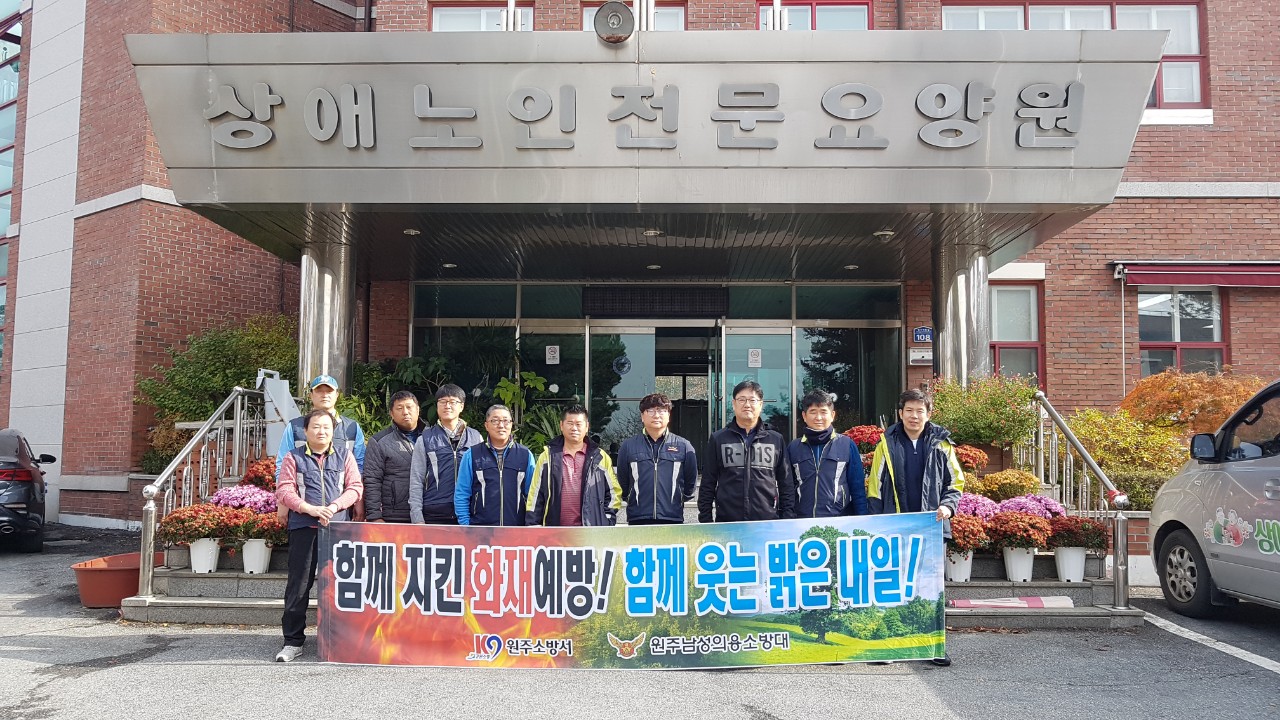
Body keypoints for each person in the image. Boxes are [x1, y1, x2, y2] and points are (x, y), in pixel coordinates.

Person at [867, 388, 964, 667]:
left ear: (928, 414)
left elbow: (956, 483)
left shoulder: (942, 444)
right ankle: (891, 647)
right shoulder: (886, 444)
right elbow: (875, 487)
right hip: (895, 527)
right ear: (900, 413)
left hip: (931, 527)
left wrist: (948, 507)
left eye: (920, 411)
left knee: (930, 588)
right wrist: (876, 523)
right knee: (892, 586)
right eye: (908, 410)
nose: (914, 415)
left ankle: (933, 646)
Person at [273, 408, 363, 662]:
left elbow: (355, 487)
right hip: (304, 528)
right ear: (305, 431)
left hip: (338, 529)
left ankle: (340, 641)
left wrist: (334, 507)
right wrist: (308, 508)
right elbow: (284, 490)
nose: (321, 431)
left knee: (341, 585)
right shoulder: (293, 457)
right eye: (316, 426)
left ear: (333, 431)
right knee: (299, 586)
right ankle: (293, 642)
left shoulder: (345, 456)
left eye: (326, 427)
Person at [699, 380, 795, 523]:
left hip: (767, 521)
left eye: (752, 400)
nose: (747, 404)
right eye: (742, 400)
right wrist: (706, 520)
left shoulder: (775, 439)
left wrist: (787, 518)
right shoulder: (718, 439)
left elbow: (786, 483)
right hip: (728, 521)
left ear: (761, 404)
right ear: (733, 403)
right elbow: (708, 482)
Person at [275, 374, 366, 519]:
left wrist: (358, 501)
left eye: (329, 391)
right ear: (311, 395)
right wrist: (282, 502)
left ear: (337, 395)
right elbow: (282, 466)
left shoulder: (352, 428)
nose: (324, 395)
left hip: (341, 511)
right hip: (302, 512)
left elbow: (360, 467)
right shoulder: (295, 427)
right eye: (319, 391)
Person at [526, 405, 622, 526]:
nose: (574, 428)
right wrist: (533, 525)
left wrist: (606, 519)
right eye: (570, 423)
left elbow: (614, 493)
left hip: (591, 531)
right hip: (555, 531)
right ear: (561, 425)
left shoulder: (600, 457)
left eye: (579, 424)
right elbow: (535, 494)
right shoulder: (547, 457)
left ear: (587, 427)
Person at [616, 393, 698, 525]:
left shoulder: (683, 446)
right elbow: (623, 482)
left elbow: (691, 483)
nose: (656, 415)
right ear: (642, 416)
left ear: (668, 415)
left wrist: (678, 499)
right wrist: (631, 497)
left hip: (672, 517)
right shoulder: (628, 446)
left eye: (661, 410)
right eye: (650, 410)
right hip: (638, 518)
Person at [786, 389, 868, 518]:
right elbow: (787, 489)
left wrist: (862, 519)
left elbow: (858, 488)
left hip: (838, 520)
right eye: (813, 412)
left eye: (823, 412)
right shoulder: (794, 447)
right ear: (804, 416)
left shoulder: (846, 445)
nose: (818, 417)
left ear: (832, 415)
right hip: (802, 521)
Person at [409, 384, 484, 524]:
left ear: (461, 406)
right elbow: (416, 480)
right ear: (437, 406)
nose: (447, 406)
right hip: (435, 513)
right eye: (442, 401)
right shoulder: (425, 439)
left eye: (452, 402)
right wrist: (417, 518)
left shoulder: (476, 438)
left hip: (469, 513)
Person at [453, 404, 535, 526]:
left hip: (517, 528)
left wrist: (531, 525)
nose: (501, 425)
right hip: (481, 529)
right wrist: (466, 526)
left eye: (505, 421)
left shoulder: (525, 454)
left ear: (511, 425)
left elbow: (533, 495)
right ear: (486, 425)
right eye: (495, 421)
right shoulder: (472, 454)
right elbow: (462, 493)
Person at [362, 391, 427, 523]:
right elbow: (372, 479)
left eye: (409, 407)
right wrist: (375, 516)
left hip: (429, 512)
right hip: (394, 514)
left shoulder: (433, 438)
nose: (405, 412)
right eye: (399, 408)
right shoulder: (379, 441)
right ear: (391, 413)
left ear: (418, 410)